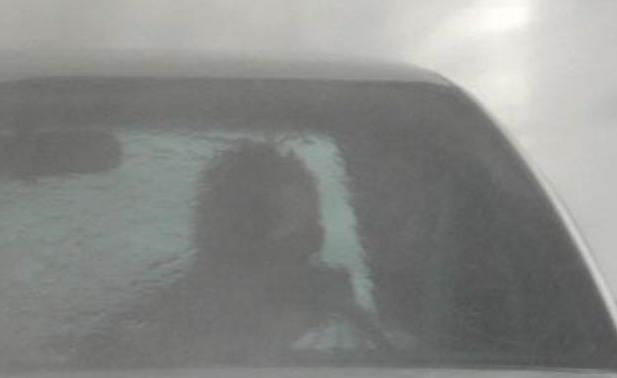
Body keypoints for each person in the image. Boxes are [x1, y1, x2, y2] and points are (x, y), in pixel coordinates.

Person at [79, 141, 390, 364]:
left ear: (314, 238)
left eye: (268, 219)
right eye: (242, 221)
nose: (251, 239)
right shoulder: (135, 333)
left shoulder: (353, 343)